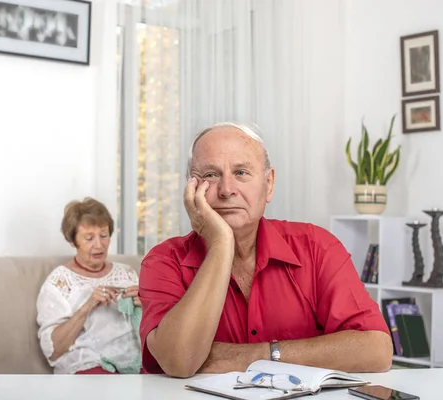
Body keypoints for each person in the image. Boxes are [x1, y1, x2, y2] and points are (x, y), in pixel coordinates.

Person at [138, 122, 393, 378]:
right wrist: (221, 244)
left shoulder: (317, 247)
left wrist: (251, 356)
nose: (226, 190)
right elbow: (179, 362)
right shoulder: (164, 261)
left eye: (241, 173)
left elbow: (376, 349)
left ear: (269, 184)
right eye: (210, 175)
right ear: (192, 189)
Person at [36, 197, 142, 374]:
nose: (99, 245)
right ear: (72, 241)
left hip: (133, 361)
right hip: (88, 363)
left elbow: (149, 325)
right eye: (89, 238)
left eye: (103, 235)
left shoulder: (127, 273)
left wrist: (147, 303)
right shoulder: (60, 281)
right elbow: (54, 350)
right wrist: (88, 305)